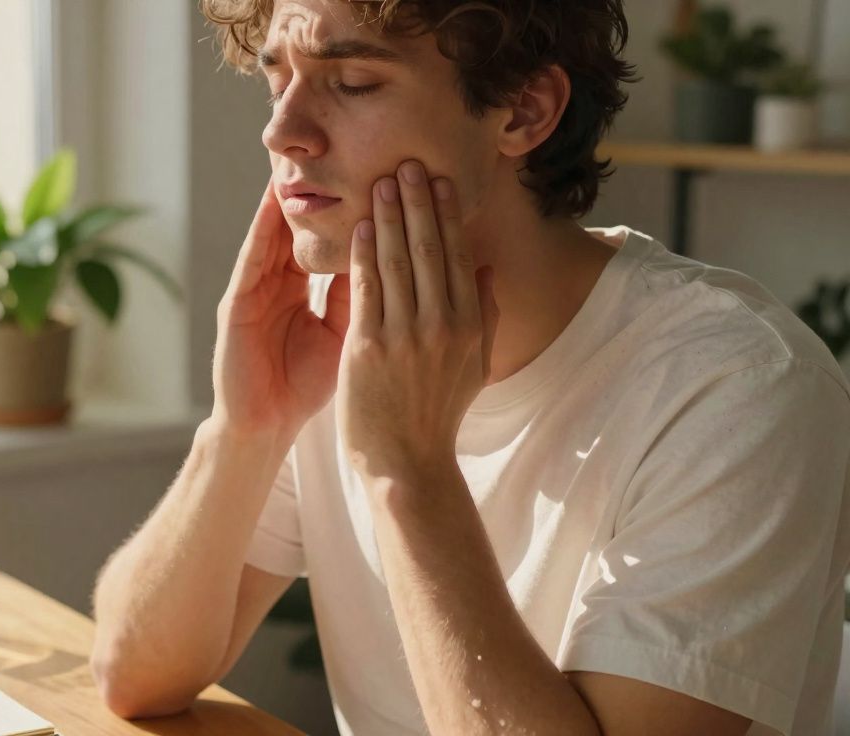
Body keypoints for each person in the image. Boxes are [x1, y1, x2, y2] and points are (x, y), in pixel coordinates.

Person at [89, 1, 850, 734]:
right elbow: (134, 677)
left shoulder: (739, 387)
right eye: (276, 79)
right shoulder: (336, 323)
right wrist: (245, 427)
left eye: (352, 83)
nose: (281, 132)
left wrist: (405, 470)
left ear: (522, 110)